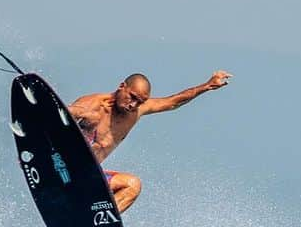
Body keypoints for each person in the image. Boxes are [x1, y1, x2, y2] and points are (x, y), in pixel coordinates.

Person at [69, 70, 232, 213]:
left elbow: (173, 102)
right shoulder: (95, 103)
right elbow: (64, 114)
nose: (132, 105)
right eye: (131, 97)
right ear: (122, 86)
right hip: (63, 163)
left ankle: (98, 222)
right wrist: (78, 114)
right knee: (92, 117)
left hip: (86, 177)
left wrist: (207, 86)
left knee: (132, 185)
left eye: (139, 102)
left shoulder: (138, 110)